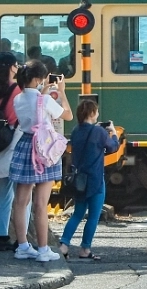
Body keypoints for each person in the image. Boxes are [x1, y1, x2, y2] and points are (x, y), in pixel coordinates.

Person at [9, 60, 72, 261]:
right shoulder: (44, 101)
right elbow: (68, 115)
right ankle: (44, 249)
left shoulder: (18, 99)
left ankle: (23, 246)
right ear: (37, 79)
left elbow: (34, 107)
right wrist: (61, 92)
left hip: (24, 146)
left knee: (21, 201)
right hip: (43, 150)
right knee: (40, 203)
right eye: (43, 79)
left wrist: (42, 90)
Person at [58, 99, 119, 261]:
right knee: (93, 216)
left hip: (80, 180)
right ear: (92, 114)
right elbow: (112, 147)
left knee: (77, 214)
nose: (98, 113)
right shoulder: (99, 133)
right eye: (96, 111)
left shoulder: (76, 130)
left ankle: (63, 245)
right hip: (96, 180)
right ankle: (85, 249)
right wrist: (113, 133)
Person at [0, 52, 22, 251]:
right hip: (8, 146)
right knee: (14, 194)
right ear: (12, 68)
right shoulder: (15, 90)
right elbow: (16, 121)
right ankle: (11, 236)